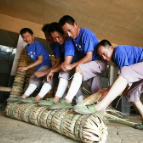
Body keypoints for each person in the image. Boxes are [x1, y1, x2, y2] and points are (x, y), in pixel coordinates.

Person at [74, 39, 143, 130]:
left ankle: (100, 106)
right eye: (101, 56)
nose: (103, 57)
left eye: (104, 53)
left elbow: (125, 75)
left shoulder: (119, 51)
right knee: (132, 95)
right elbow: (126, 78)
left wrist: (107, 90)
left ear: (111, 48)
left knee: (125, 71)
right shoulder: (115, 58)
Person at [49, 15, 107, 109]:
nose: (69, 34)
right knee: (96, 90)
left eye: (69, 30)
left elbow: (89, 57)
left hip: (98, 62)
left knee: (78, 68)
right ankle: (102, 114)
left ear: (75, 24)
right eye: (65, 32)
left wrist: (71, 66)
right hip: (88, 65)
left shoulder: (86, 33)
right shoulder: (70, 38)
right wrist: (68, 66)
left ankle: (67, 100)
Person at [38, 22, 83, 107]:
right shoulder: (59, 44)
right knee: (69, 79)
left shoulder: (68, 43)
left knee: (63, 72)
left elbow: (65, 63)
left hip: (78, 66)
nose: (56, 40)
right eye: (54, 38)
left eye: (58, 37)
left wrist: (50, 71)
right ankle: (75, 102)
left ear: (64, 33)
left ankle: (57, 99)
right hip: (71, 66)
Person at [21, 24, 64, 103]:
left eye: (28, 36)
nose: (47, 37)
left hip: (49, 66)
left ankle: (27, 97)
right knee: (47, 79)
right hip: (53, 67)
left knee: (39, 78)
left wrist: (47, 71)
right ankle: (33, 97)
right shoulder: (51, 45)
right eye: (46, 35)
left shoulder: (39, 44)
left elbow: (42, 60)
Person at [7, 28, 52, 103]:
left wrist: (26, 67)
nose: (26, 39)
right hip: (39, 67)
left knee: (34, 78)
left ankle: (24, 97)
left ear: (32, 35)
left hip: (46, 66)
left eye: (28, 36)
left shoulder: (38, 45)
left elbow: (40, 60)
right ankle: (25, 97)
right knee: (35, 79)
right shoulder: (27, 47)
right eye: (24, 37)